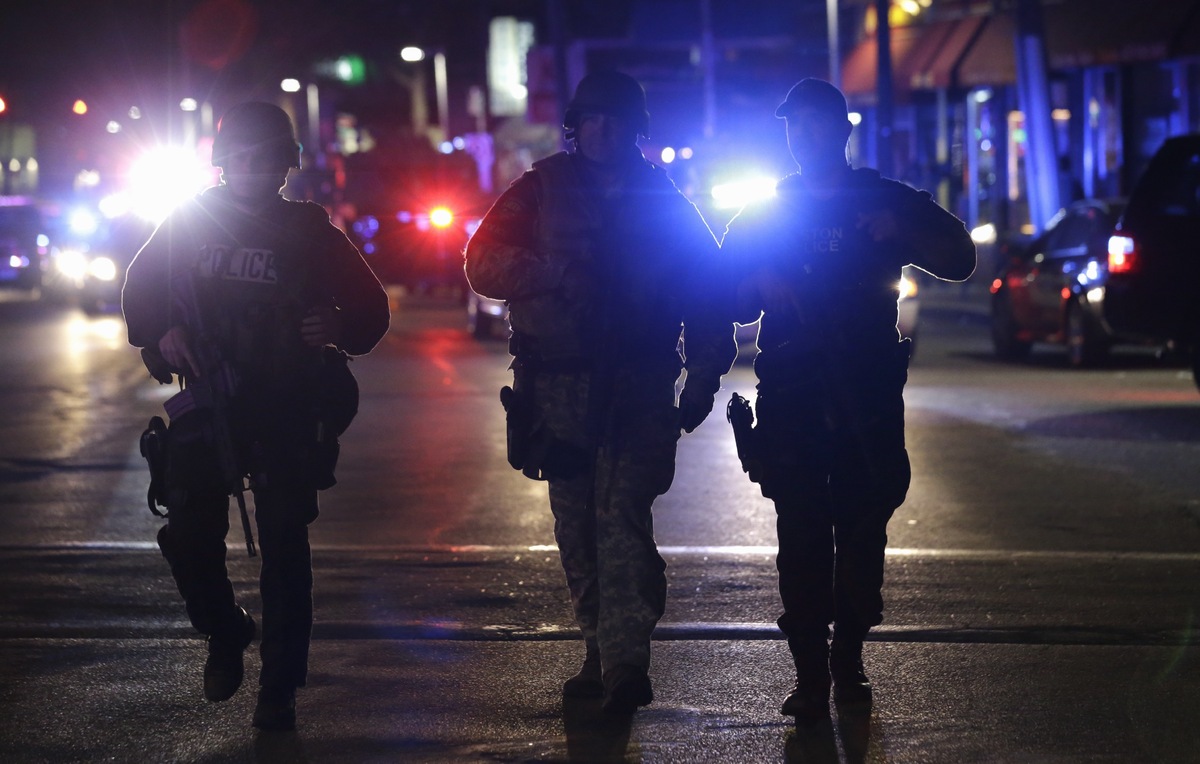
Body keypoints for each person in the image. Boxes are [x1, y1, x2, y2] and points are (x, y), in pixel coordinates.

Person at [464, 71, 736, 714]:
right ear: (577, 126)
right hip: (558, 387)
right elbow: (481, 263)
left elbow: (707, 291)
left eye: (616, 121)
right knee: (577, 526)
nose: (604, 131)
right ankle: (597, 649)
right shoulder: (539, 190)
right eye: (594, 120)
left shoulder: (663, 199)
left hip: (638, 384)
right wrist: (556, 272)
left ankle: (625, 661)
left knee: (623, 518)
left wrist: (702, 377)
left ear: (635, 129)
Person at [122, 102, 390, 731]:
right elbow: (140, 293)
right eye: (243, 158)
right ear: (223, 163)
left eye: (266, 158)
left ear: (284, 165)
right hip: (211, 406)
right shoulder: (188, 222)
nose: (254, 169)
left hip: (286, 407)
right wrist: (164, 334)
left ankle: (279, 690)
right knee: (188, 533)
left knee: (286, 550)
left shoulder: (310, 231)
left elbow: (371, 311)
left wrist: (336, 326)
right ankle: (224, 627)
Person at [720, 79, 976, 719]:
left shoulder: (884, 199)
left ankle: (849, 658)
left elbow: (961, 258)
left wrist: (904, 229)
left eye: (814, 124)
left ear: (840, 130)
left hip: (865, 395)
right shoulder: (769, 211)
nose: (803, 137)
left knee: (862, 530)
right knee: (802, 533)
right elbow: (722, 292)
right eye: (794, 126)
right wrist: (757, 278)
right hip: (794, 396)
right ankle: (810, 672)